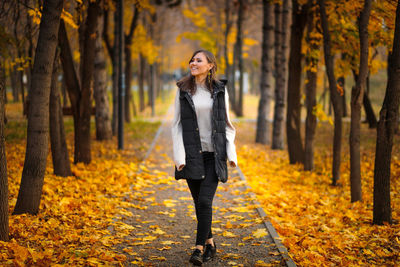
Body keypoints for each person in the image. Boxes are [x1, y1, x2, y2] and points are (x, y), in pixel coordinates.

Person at [171, 49, 238, 266]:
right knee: (199, 203)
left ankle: (198, 249)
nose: (193, 62)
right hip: (191, 155)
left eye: (198, 60)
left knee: (204, 201)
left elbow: (227, 123)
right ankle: (210, 242)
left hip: (214, 155)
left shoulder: (219, 90)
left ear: (210, 66)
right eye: (192, 59)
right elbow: (176, 125)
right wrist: (179, 157)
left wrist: (231, 153)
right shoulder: (182, 91)